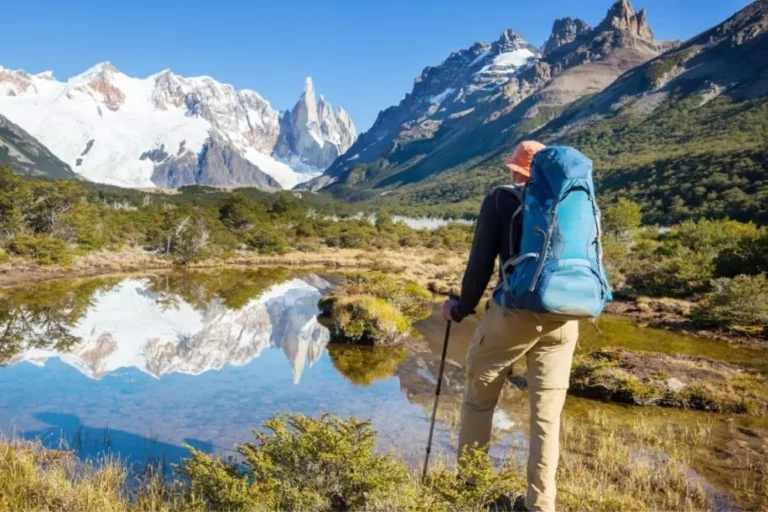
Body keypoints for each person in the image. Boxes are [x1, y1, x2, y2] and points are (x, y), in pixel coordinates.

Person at [442, 140, 579, 512]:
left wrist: (459, 308)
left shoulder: (501, 200)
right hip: (564, 318)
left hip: (513, 315)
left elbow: (480, 268)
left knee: (478, 401)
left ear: (518, 170)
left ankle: (470, 489)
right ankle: (540, 504)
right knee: (546, 416)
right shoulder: (571, 202)